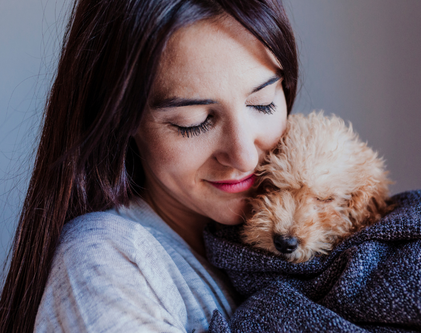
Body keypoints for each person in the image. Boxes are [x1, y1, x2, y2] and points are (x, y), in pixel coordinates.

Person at [0, 0, 298, 332]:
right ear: (123, 117)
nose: (244, 157)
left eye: (263, 103)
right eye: (193, 122)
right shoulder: (105, 264)